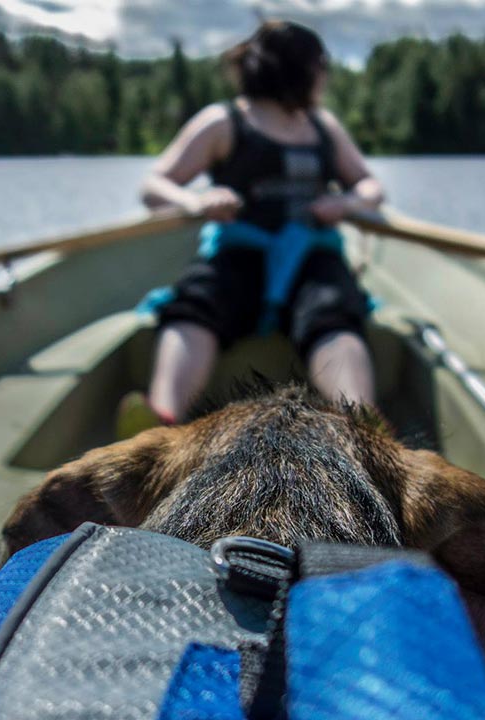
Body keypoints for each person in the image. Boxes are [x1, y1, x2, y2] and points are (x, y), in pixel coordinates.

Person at [134, 20, 386, 426]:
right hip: (239, 253)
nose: (325, 76)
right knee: (197, 302)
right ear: (299, 69)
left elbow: (370, 185)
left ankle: (360, 423)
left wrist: (347, 202)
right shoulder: (224, 121)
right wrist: (196, 201)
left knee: (332, 310)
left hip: (311, 256)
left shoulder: (323, 127)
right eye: (321, 65)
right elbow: (154, 186)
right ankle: (161, 422)